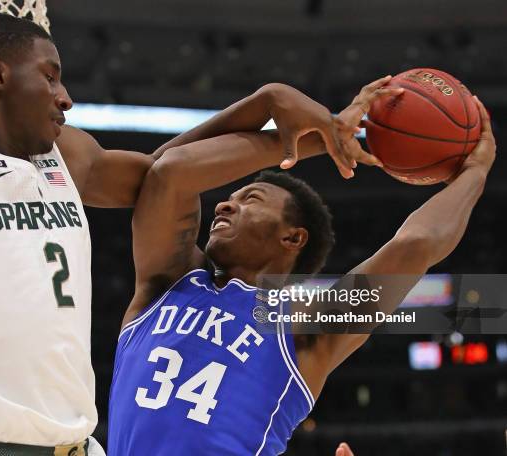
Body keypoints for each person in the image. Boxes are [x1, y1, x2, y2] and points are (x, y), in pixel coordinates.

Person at [0, 2, 361, 455]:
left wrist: (288, 116)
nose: (65, 97)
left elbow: (167, 176)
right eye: (50, 76)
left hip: (81, 446)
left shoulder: (63, 160)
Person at [107, 74, 495, 455]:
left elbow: (416, 245)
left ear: (292, 237)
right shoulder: (168, 281)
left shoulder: (307, 325)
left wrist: (475, 173)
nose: (225, 205)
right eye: (230, 197)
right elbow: (172, 172)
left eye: (251, 199)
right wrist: (324, 139)